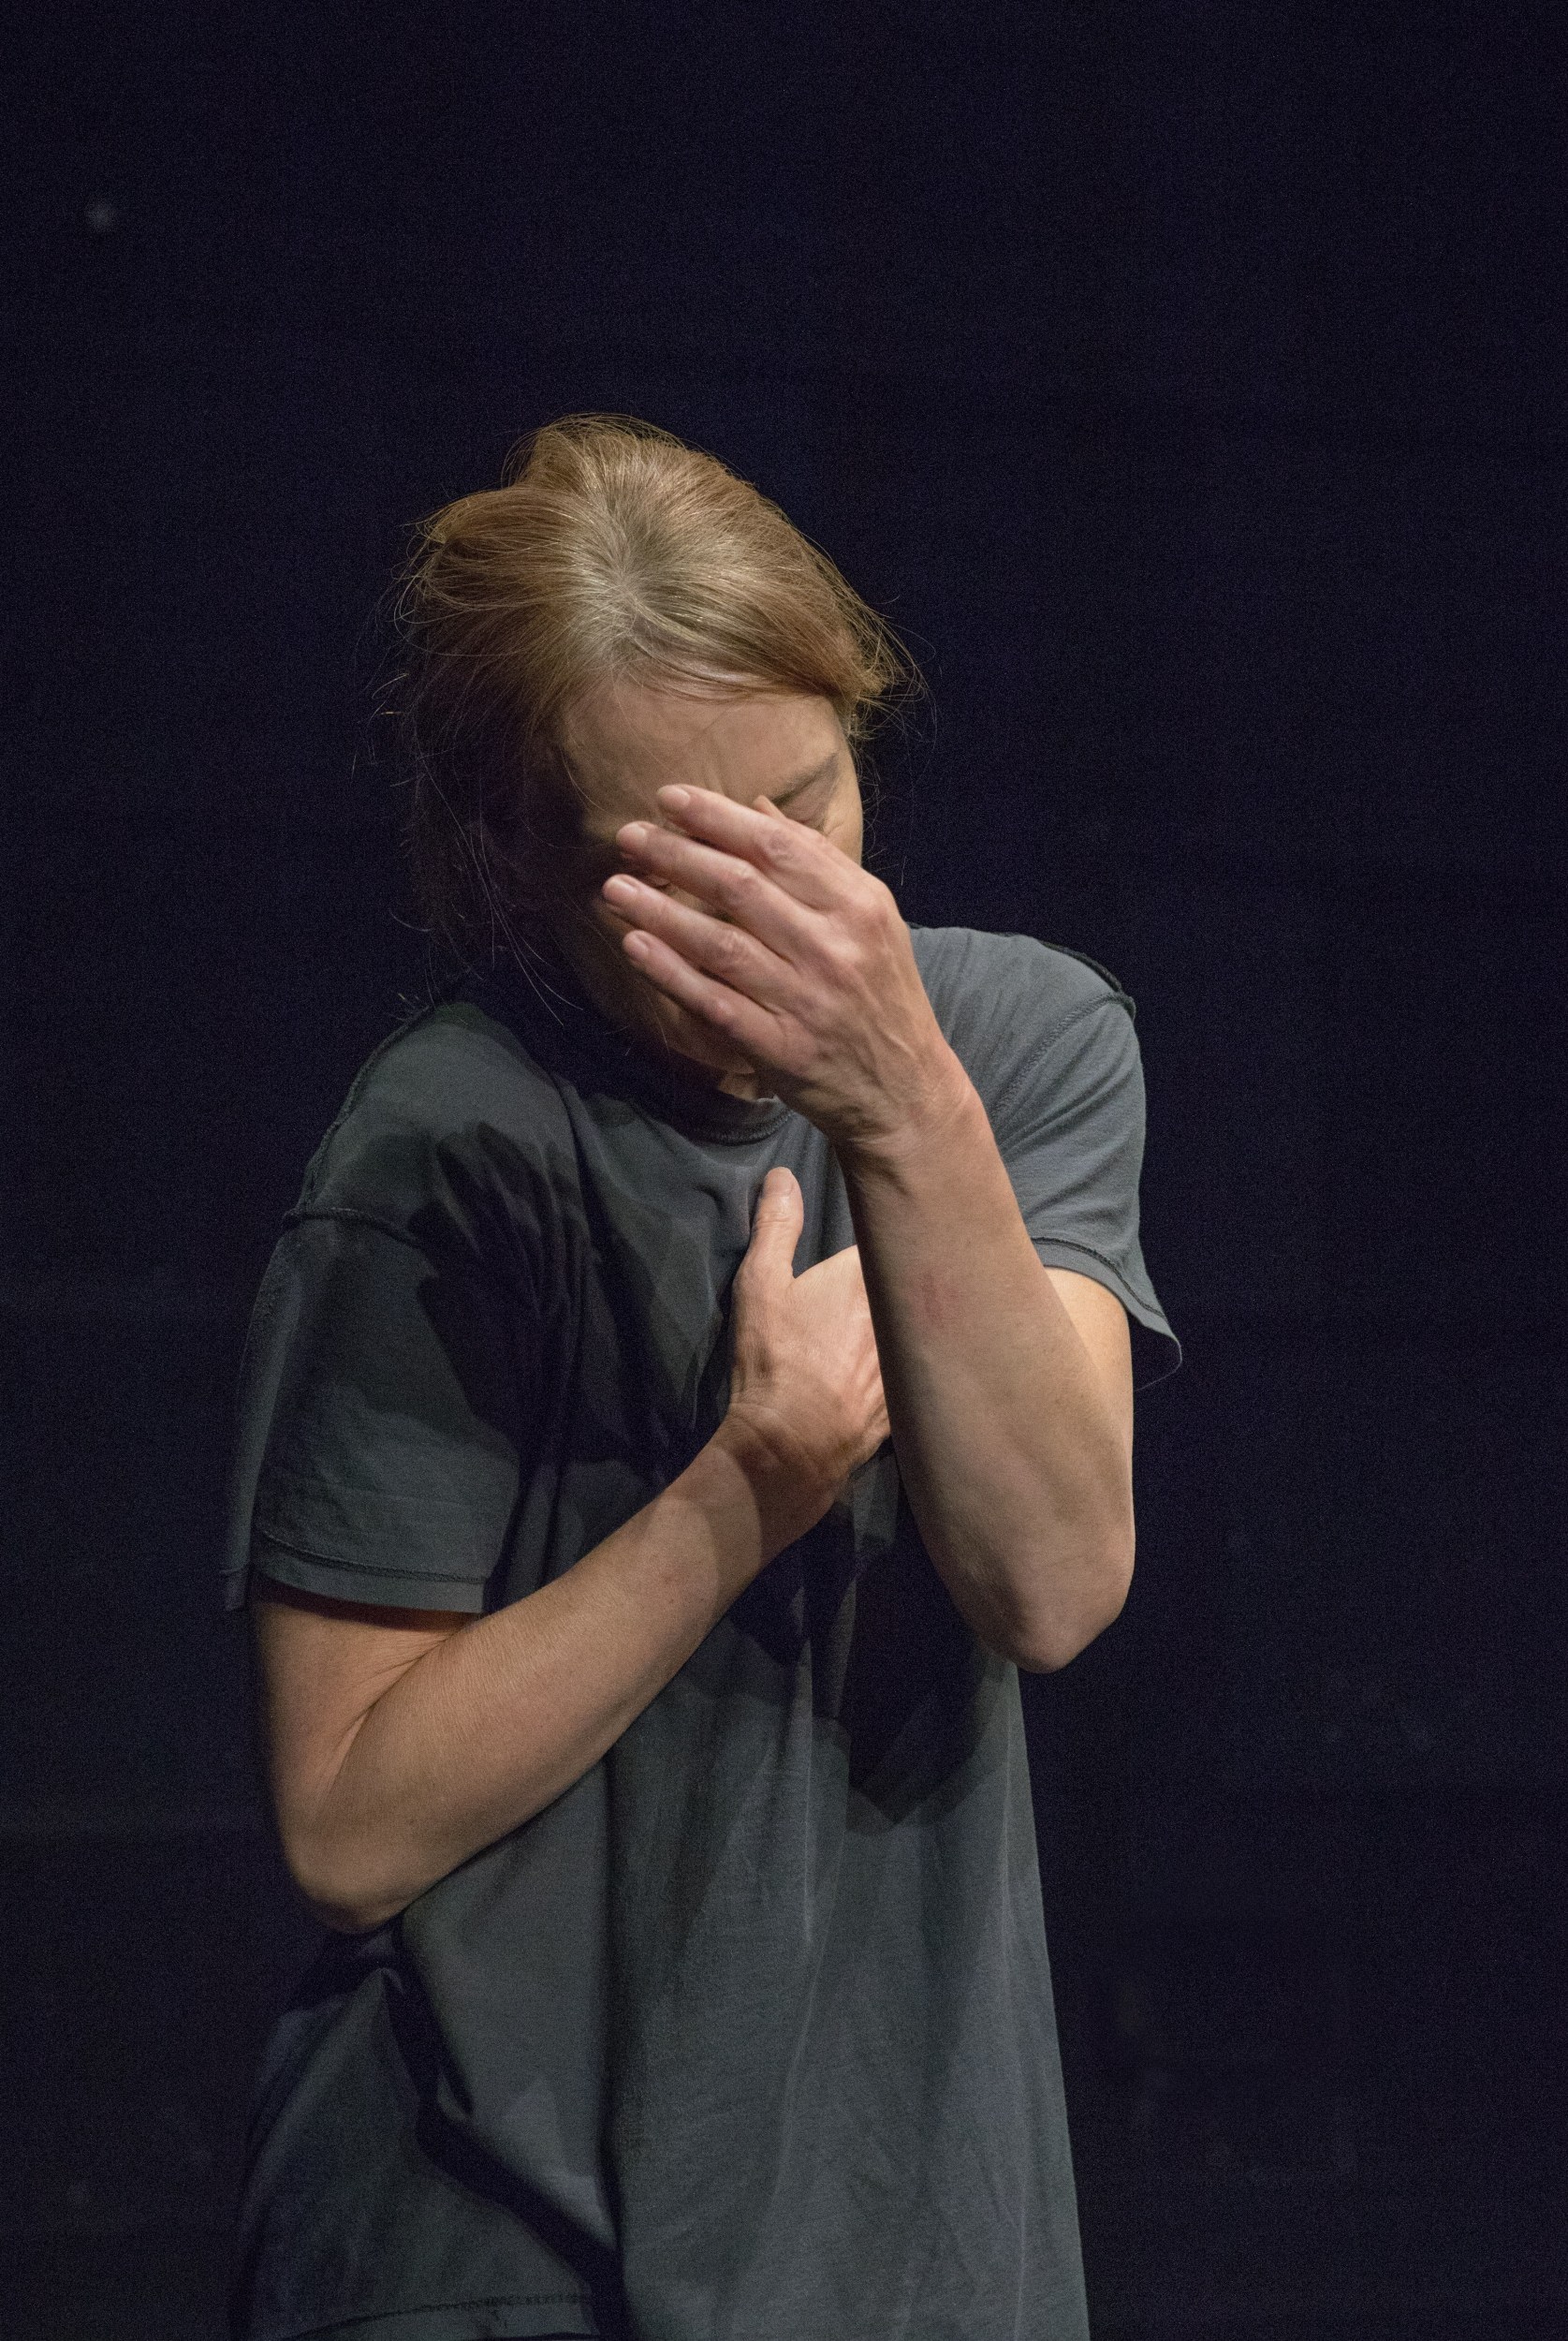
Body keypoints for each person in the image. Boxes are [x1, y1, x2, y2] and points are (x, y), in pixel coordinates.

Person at [223, 414, 1181, 2341]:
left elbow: (1052, 1580)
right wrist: (755, 1475)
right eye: (679, 871)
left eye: (808, 812)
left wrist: (900, 1096)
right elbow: (347, 1819)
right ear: (522, 858)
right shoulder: (448, 1143)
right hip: (502, 2232)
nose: (776, 929)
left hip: (909, 2232)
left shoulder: (1020, 1045)